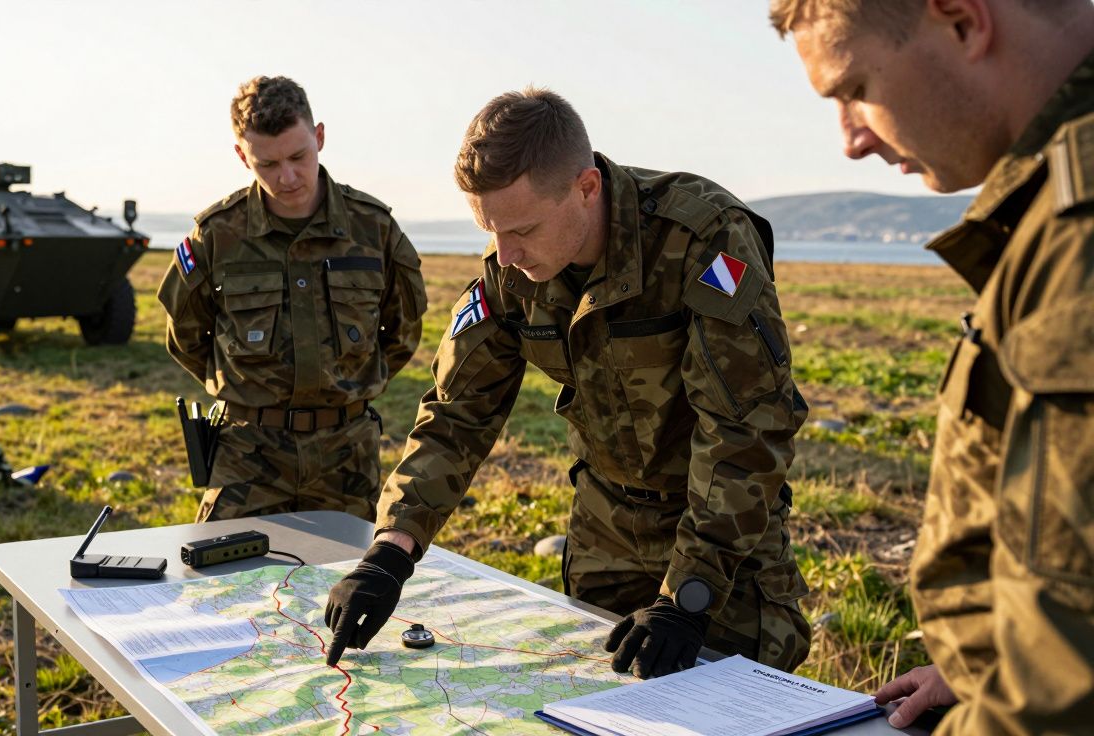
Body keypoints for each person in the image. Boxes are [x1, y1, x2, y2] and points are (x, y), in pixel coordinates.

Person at [323, 87, 813, 679]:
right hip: (602, 536)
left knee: (734, 709)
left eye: (522, 229)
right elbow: (456, 416)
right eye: (490, 230)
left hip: (722, 542)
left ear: (586, 187)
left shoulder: (703, 239)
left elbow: (746, 431)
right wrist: (388, 555)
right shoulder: (511, 269)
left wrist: (688, 595)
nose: (504, 255)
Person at [772, 0, 1094, 731]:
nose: (851, 139)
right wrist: (982, 662)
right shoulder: (1053, 205)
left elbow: (1067, 690)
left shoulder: (1083, 226)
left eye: (853, 89)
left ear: (961, 19)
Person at [157, 76, 427, 523]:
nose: (287, 177)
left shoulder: (373, 228)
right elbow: (185, 336)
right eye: (267, 164)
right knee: (226, 586)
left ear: (319, 136)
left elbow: (402, 331)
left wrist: (347, 385)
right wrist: (249, 390)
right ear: (242, 156)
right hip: (248, 453)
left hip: (346, 454)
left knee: (345, 584)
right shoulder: (217, 234)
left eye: (299, 156)